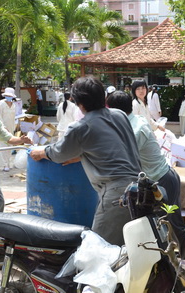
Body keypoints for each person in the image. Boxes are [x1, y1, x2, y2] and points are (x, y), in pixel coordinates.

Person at [30, 76, 141, 246]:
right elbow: (109, 145)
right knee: (129, 250)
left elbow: (60, 153)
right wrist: (83, 154)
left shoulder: (81, 127)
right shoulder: (119, 115)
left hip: (116, 195)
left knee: (98, 251)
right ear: (103, 97)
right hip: (140, 188)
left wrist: (42, 151)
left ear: (78, 103)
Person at [107, 90, 185, 260]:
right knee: (158, 226)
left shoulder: (134, 130)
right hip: (158, 179)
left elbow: (123, 159)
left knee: (173, 225)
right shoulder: (134, 121)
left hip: (163, 181)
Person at [0, 87, 17, 172]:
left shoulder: (14, 105)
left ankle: (8, 163)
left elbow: (14, 117)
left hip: (11, 128)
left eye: (10, 95)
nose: (8, 97)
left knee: (9, 146)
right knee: (2, 146)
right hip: (1, 129)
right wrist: (3, 127)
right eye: (7, 95)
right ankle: (4, 165)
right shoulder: (1, 104)